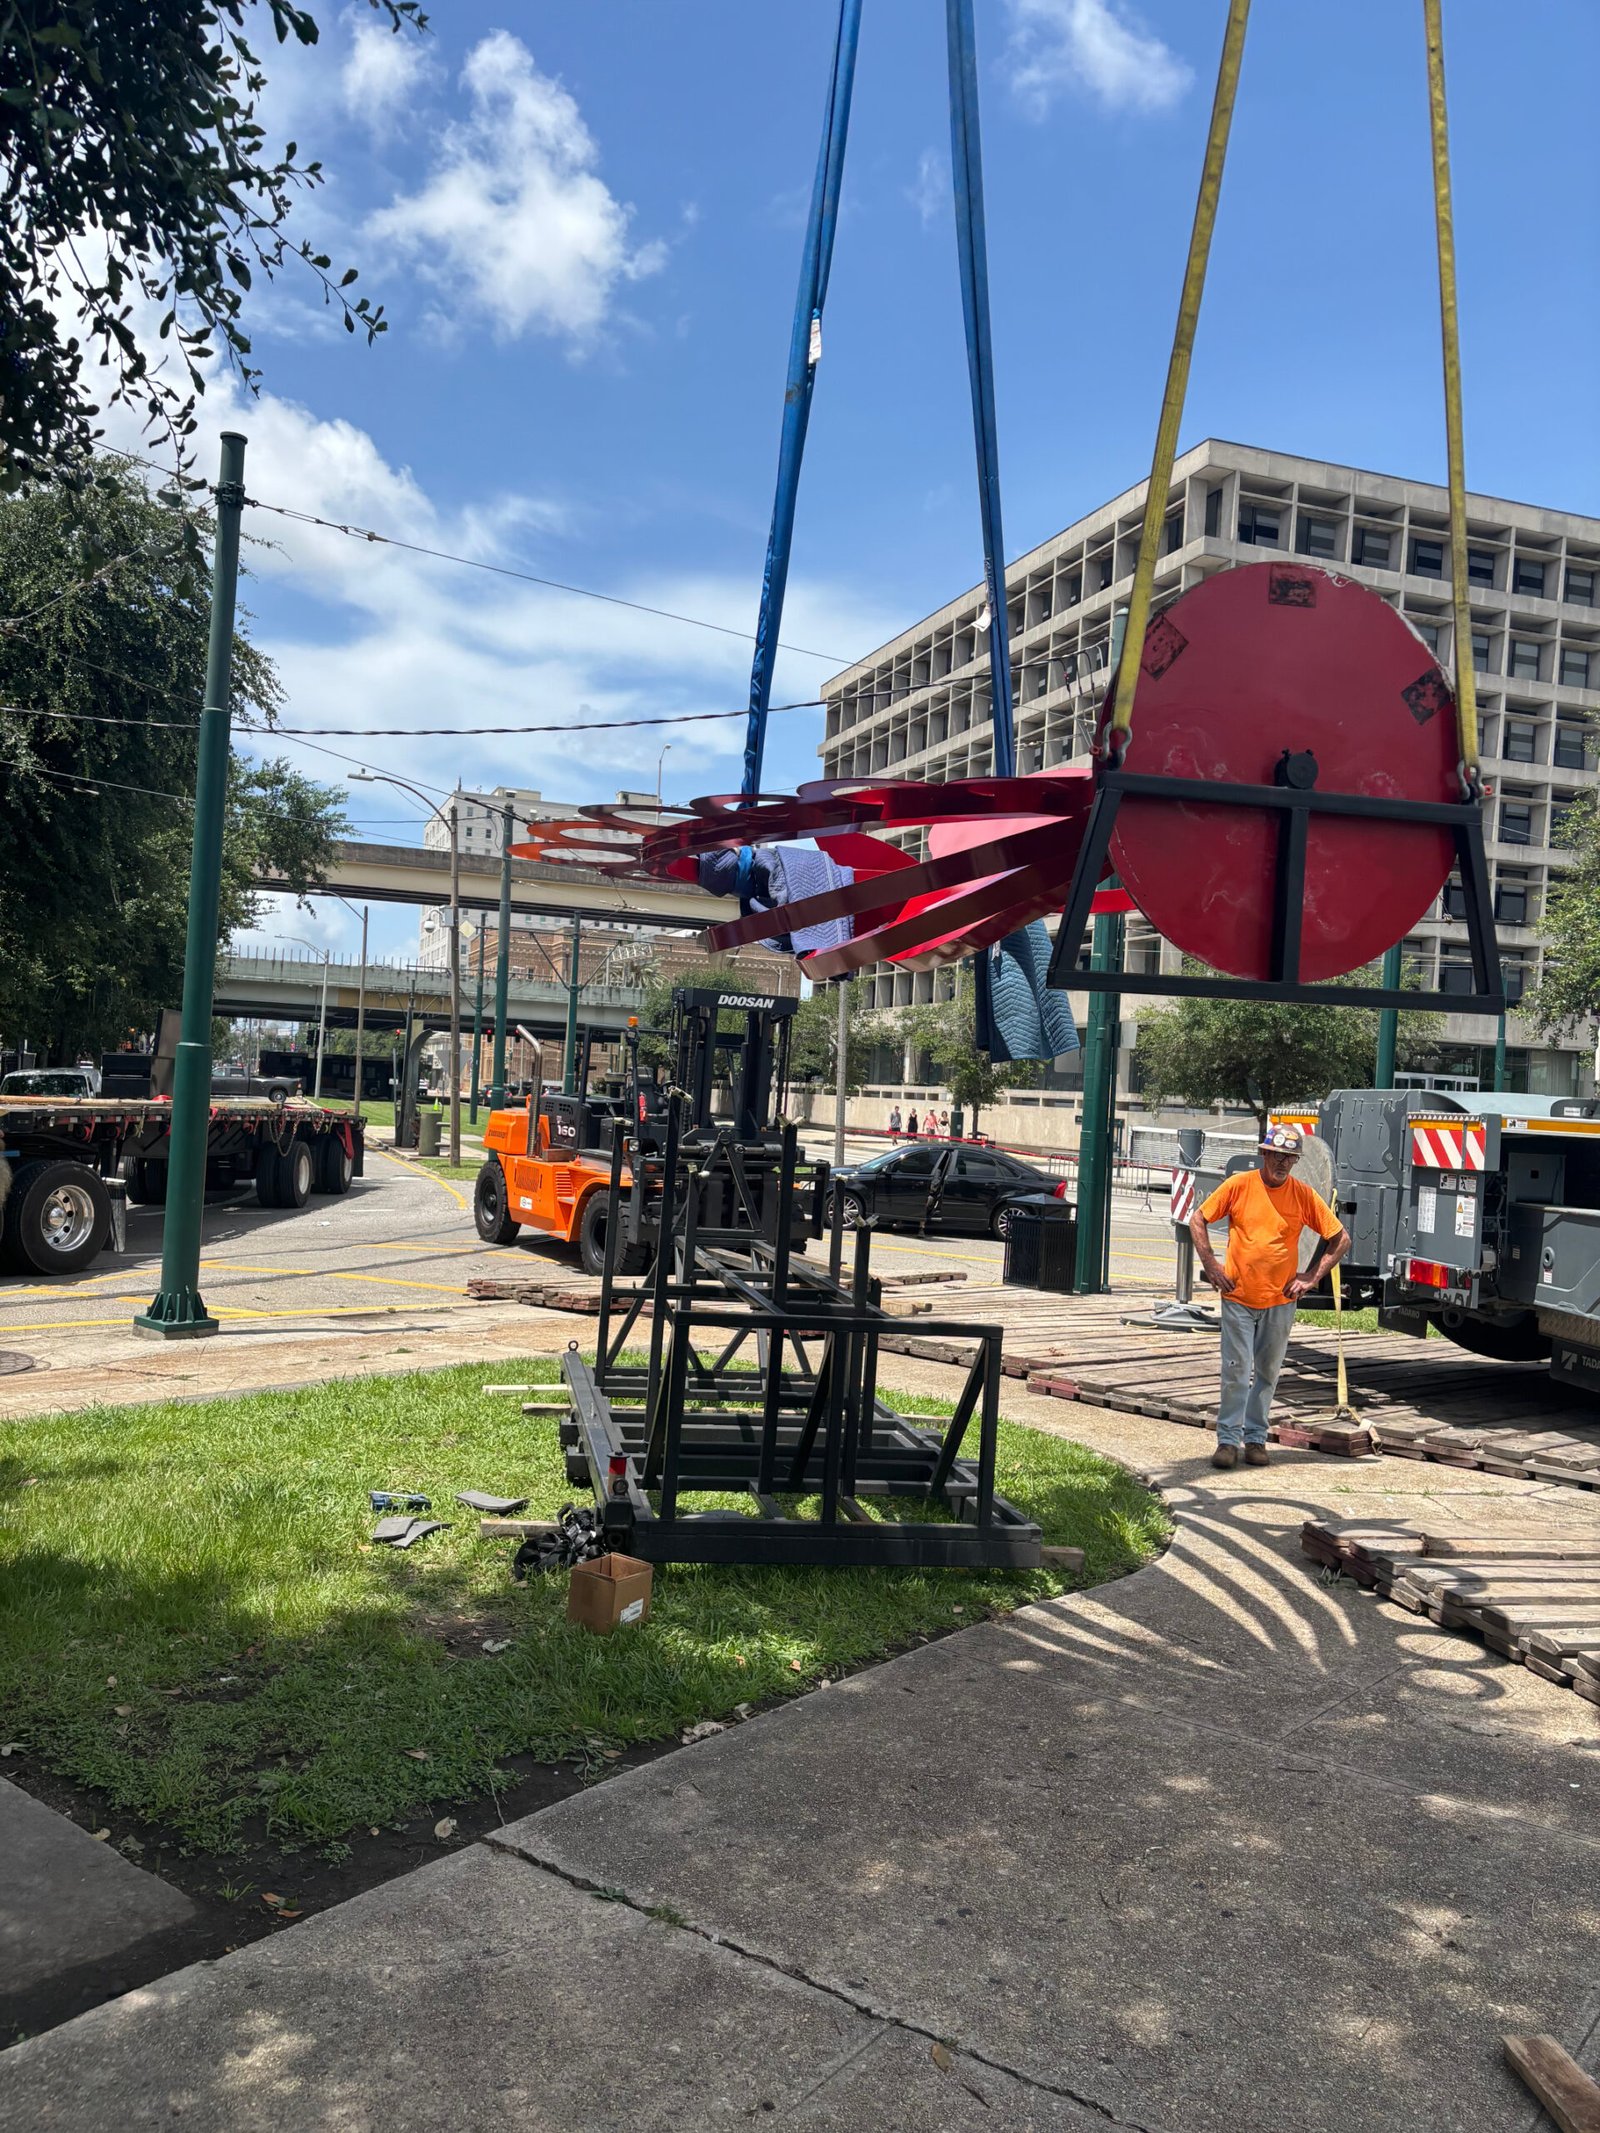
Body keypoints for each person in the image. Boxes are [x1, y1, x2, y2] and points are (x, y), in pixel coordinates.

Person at [1188, 1124, 1349, 1470]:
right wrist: (1212, 1265)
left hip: (1280, 1301)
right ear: (1264, 1153)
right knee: (1236, 1370)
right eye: (1277, 1155)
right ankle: (1228, 1441)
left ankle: (1256, 1439)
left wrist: (1311, 1277)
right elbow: (1198, 1219)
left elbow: (1341, 1239)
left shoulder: (1303, 1194)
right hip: (1239, 1297)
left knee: (1267, 1372)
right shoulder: (1239, 1186)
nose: (1282, 1163)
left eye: (1290, 1157)